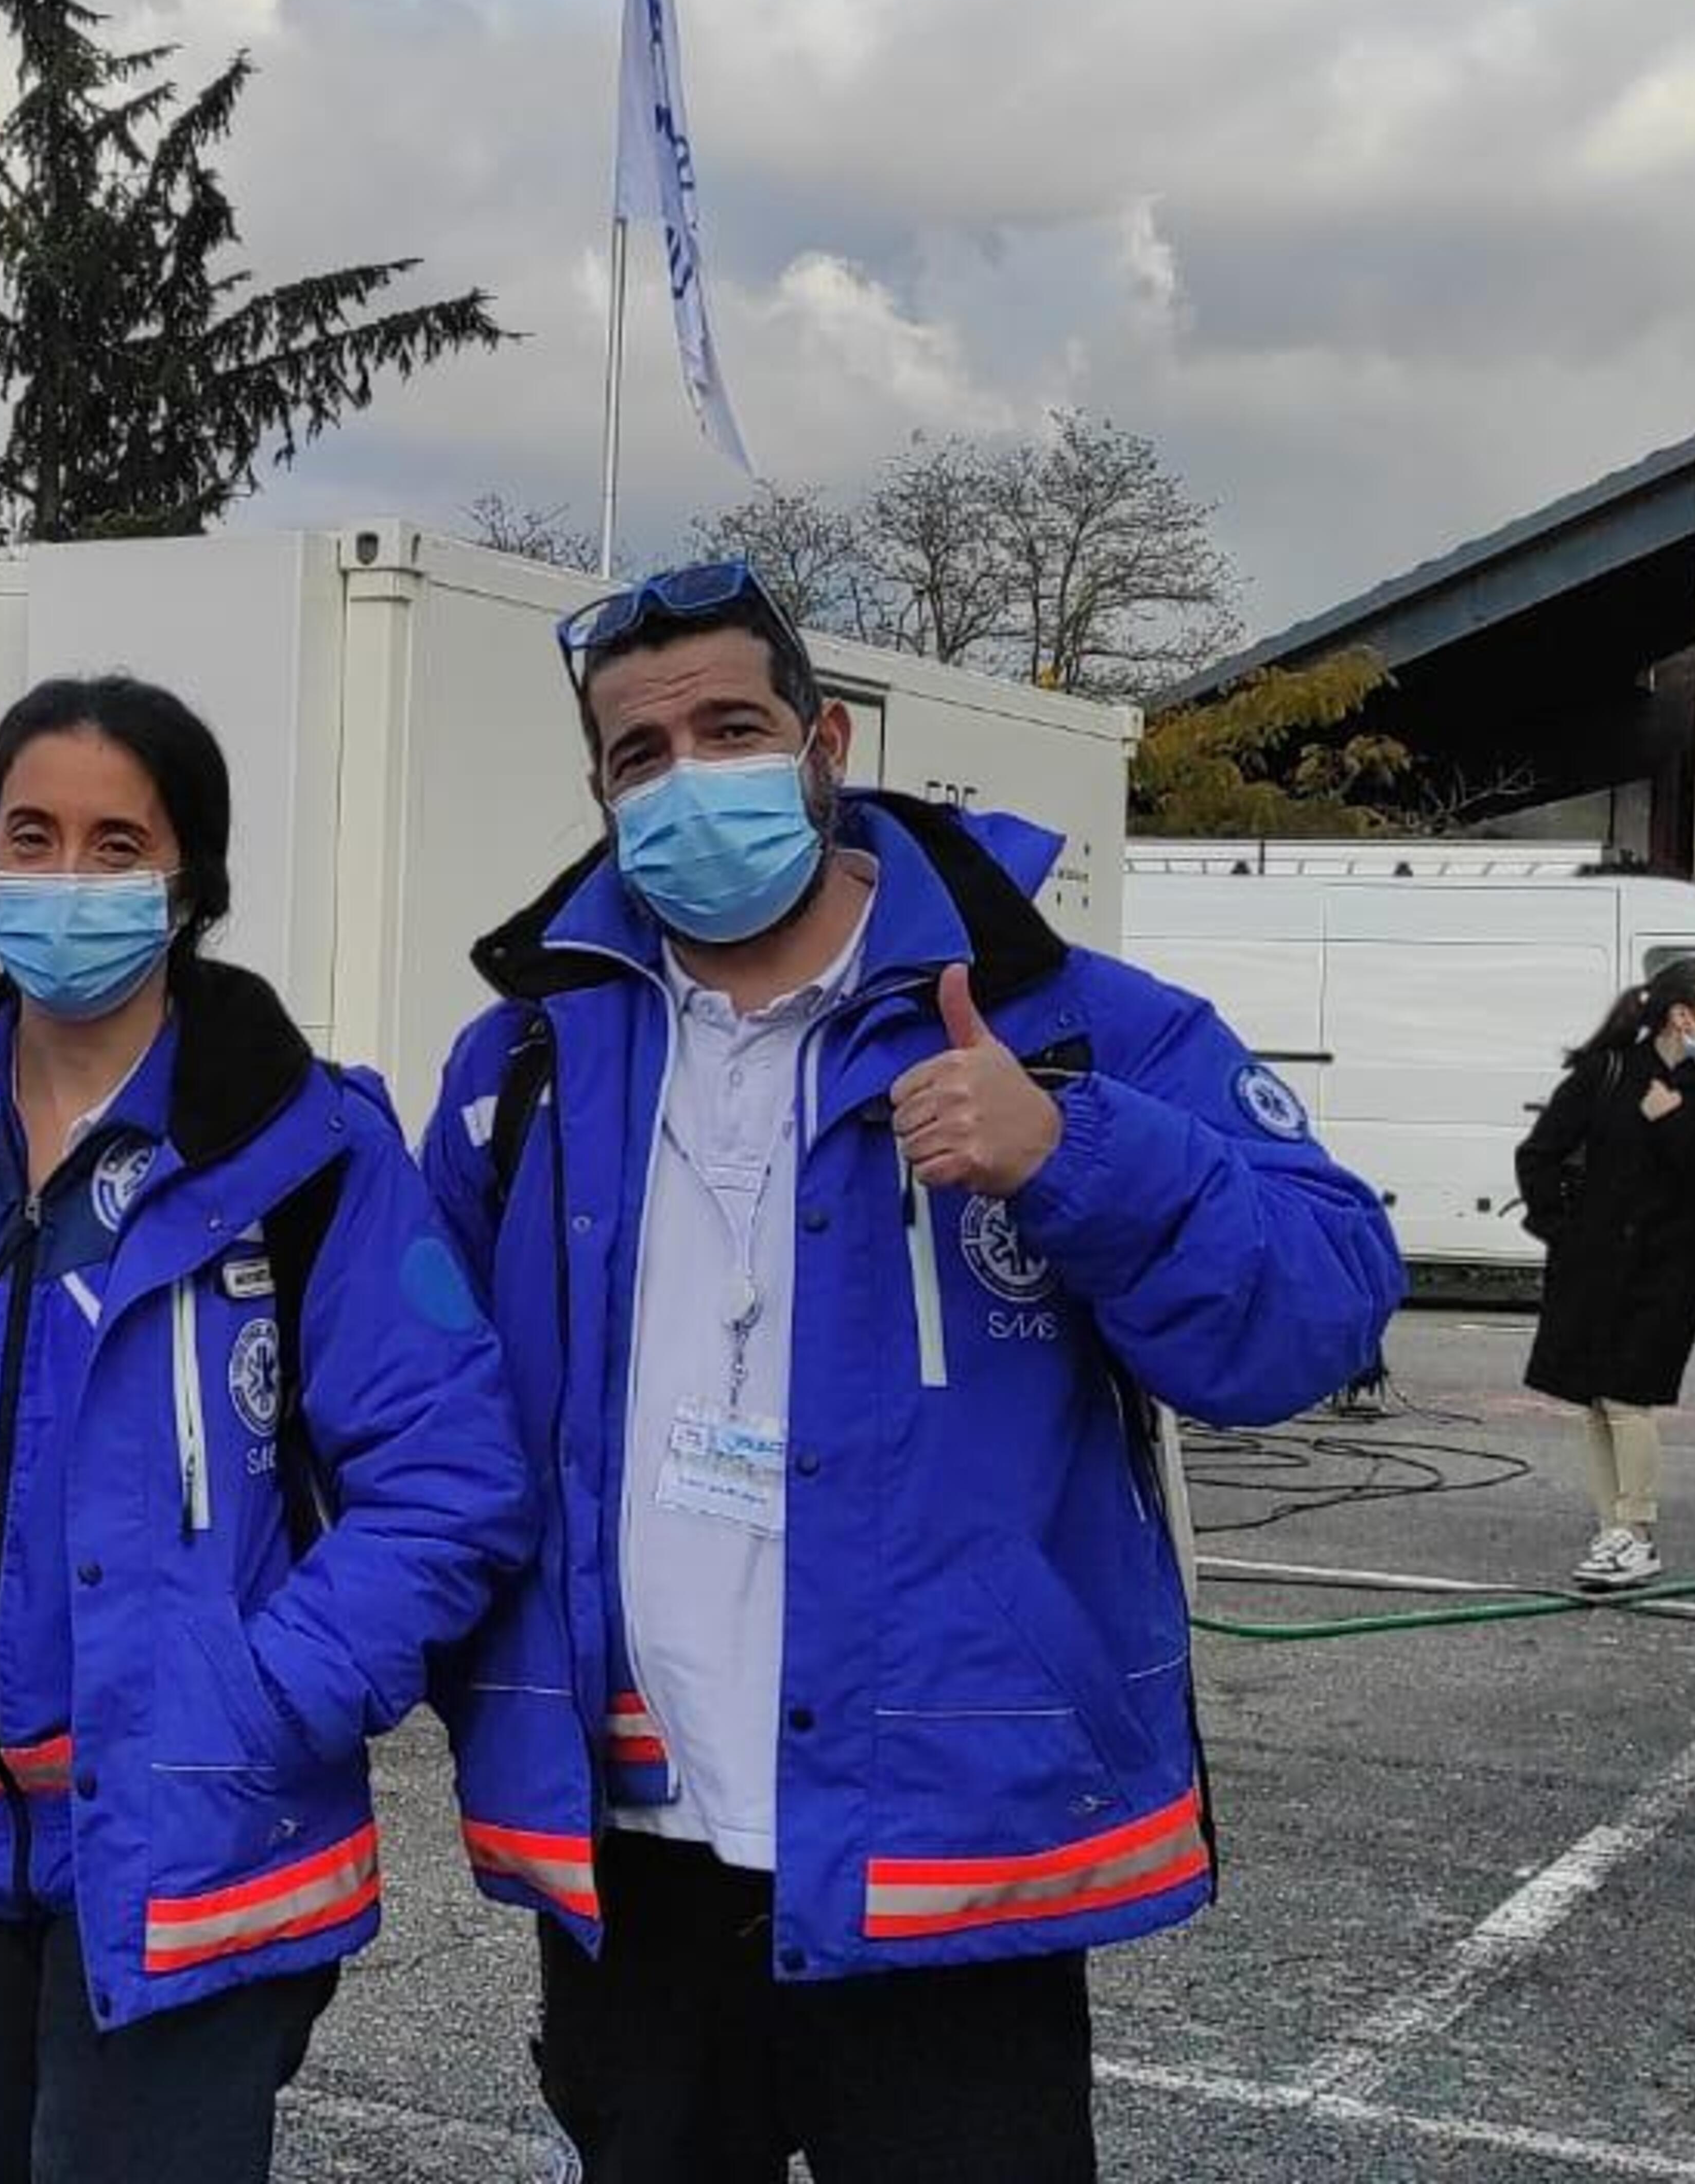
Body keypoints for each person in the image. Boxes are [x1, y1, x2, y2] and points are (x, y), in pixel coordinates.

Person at [415, 564, 1405, 2177]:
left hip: (943, 1842)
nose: (685, 781)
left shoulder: (1067, 1022)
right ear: (599, 792)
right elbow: (418, 1410)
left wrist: (1070, 1152)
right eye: (638, 756)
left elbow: (1321, 1306)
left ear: (826, 742)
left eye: (728, 729)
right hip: (631, 1851)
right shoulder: (519, 1058)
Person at [0, 677, 535, 2184]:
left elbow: (450, 1483)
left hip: (191, 1836)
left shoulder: (306, 1149)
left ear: (188, 883)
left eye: (116, 844)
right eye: (30, 835)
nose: (67, 879)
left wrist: (261, 1700)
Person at [1517, 958, 1695, 1593]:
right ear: (1683, 1014)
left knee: (1630, 1394)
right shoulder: (1608, 1072)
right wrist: (1563, 1229)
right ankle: (1612, 1528)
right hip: (1593, 1264)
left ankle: (1637, 1531)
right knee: (1593, 1398)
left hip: (1670, 1268)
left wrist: (1672, 1121)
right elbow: (1538, 1155)